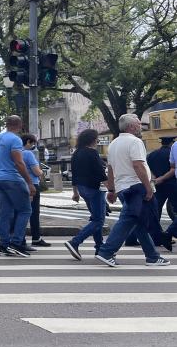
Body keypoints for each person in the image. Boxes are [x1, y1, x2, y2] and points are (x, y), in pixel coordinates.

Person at [94, 114, 169, 267]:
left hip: (123, 187)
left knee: (139, 222)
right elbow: (138, 166)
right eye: (139, 124)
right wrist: (148, 188)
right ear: (132, 127)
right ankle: (106, 251)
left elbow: (110, 168)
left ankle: (152, 256)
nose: (141, 126)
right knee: (128, 219)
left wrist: (112, 189)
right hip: (136, 187)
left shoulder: (114, 143)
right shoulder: (135, 142)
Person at [0, 115, 35, 257]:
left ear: (6, 124)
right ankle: (16, 243)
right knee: (25, 210)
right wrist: (29, 182)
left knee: (5, 213)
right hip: (13, 179)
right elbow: (19, 163)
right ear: (20, 125)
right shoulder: (15, 139)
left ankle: (4, 245)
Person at [63, 129, 108, 260]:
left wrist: (75, 192)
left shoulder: (76, 153)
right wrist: (112, 190)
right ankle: (75, 242)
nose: (98, 141)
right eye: (97, 139)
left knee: (96, 218)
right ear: (92, 140)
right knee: (98, 220)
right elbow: (101, 174)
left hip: (83, 189)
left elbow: (74, 175)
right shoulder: (92, 153)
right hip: (95, 188)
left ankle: (99, 247)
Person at [21, 133, 50, 247]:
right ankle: (36, 237)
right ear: (28, 142)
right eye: (32, 143)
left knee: (21, 212)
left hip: (20, 184)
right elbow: (37, 171)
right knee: (33, 213)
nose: (33, 146)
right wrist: (41, 172)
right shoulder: (28, 154)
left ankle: (20, 237)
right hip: (32, 184)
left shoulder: (16, 153)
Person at [148, 136, 177, 246]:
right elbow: (173, 169)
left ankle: (156, 237)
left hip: (158, 185)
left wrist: (155, 178)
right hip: (172, 184)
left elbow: (147, 168)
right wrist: (163, 178)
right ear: (171, 143)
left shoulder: (152, 154)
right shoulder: (172, 152)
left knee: (156, 211)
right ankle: (169, 233)